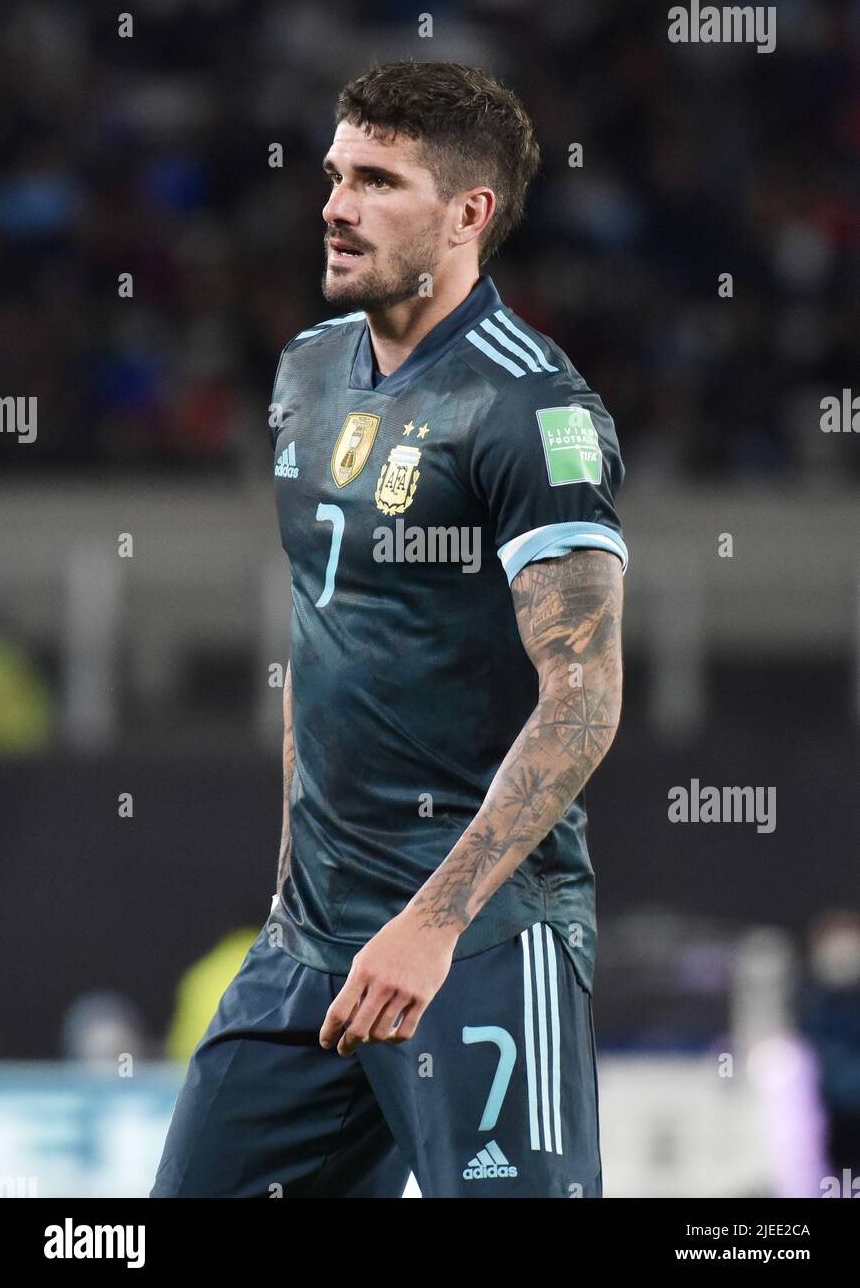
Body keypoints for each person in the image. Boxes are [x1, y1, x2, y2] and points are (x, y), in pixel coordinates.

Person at [151, 60, 628, 1198]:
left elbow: (582, 697)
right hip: (308, 949)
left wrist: (427, 927)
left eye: (376, 179)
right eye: (332, 174)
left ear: (466, 214)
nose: (333, 203)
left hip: (476, 944)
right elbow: (319, 635)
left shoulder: (532, 410)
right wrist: (288, 888)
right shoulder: (306, 373)